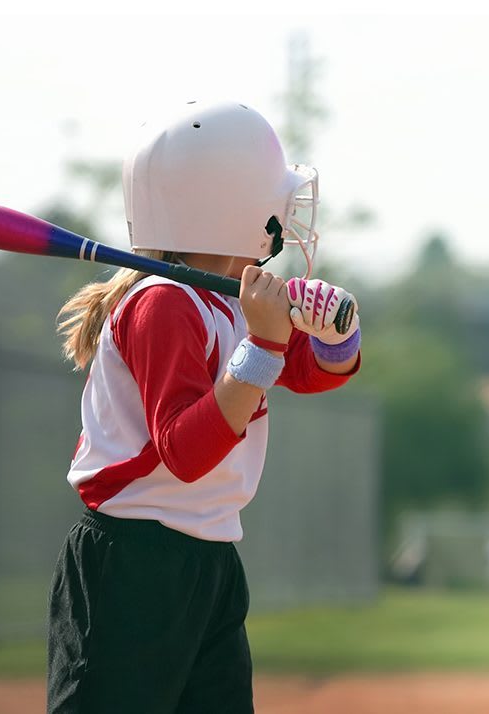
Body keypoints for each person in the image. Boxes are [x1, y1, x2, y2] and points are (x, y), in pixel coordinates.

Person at [46, 100, 362, 714]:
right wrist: (265, 343)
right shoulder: (163, 303)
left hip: (208, 557)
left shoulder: (233, 300)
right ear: (228, 205)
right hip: (132, 563)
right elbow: (185, 453)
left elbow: (312, 371)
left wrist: (337, 336)